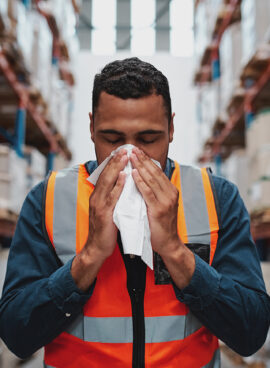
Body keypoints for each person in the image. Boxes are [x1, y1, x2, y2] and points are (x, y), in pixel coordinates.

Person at [0, 57, 269, 368]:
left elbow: (251, 333)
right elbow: (16, 335)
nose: (129, 155)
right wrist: (88, 258)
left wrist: (174, 252)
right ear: (91, 128)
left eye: (148, 139)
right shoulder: (48, 200)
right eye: (112, 139)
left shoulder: (215, 197)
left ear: (170, 129)